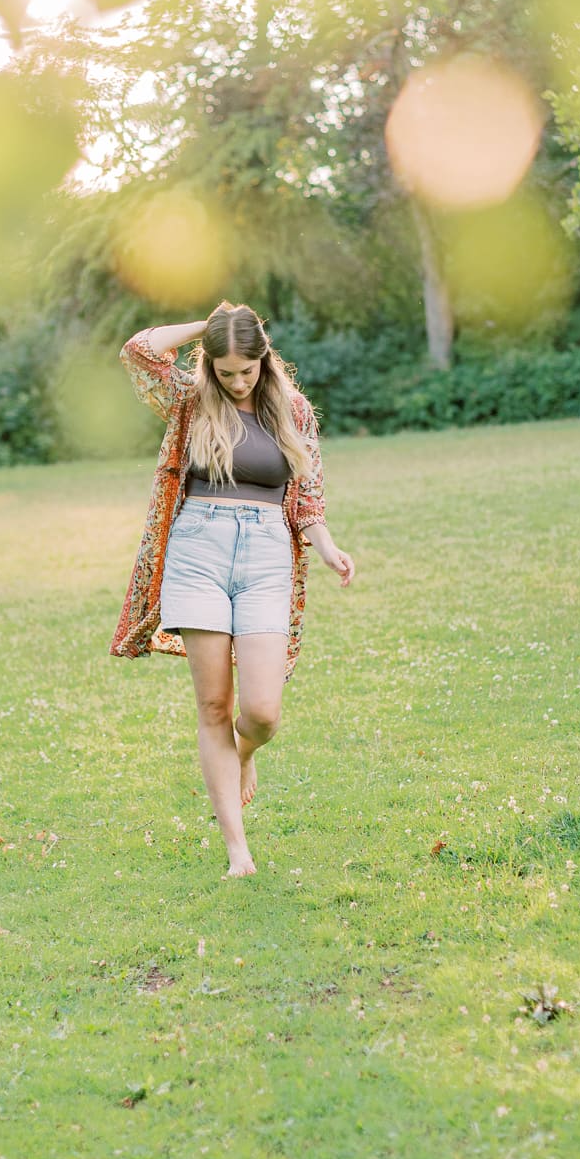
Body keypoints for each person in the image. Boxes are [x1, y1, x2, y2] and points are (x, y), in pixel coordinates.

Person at [111, 302, 354, 877]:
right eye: (226, 370)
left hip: (268, 552)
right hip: (198, 550)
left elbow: (309, 493)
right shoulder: (190, 399)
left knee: (262, 712)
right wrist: (211, 324)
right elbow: (138, 350)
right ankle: (237, 852)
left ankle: (243, 755)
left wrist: (326, 546)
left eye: (247, 369)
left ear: (264, 360)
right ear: (210, 364)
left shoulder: (291, 409)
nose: (238, 380)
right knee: (215, 705)